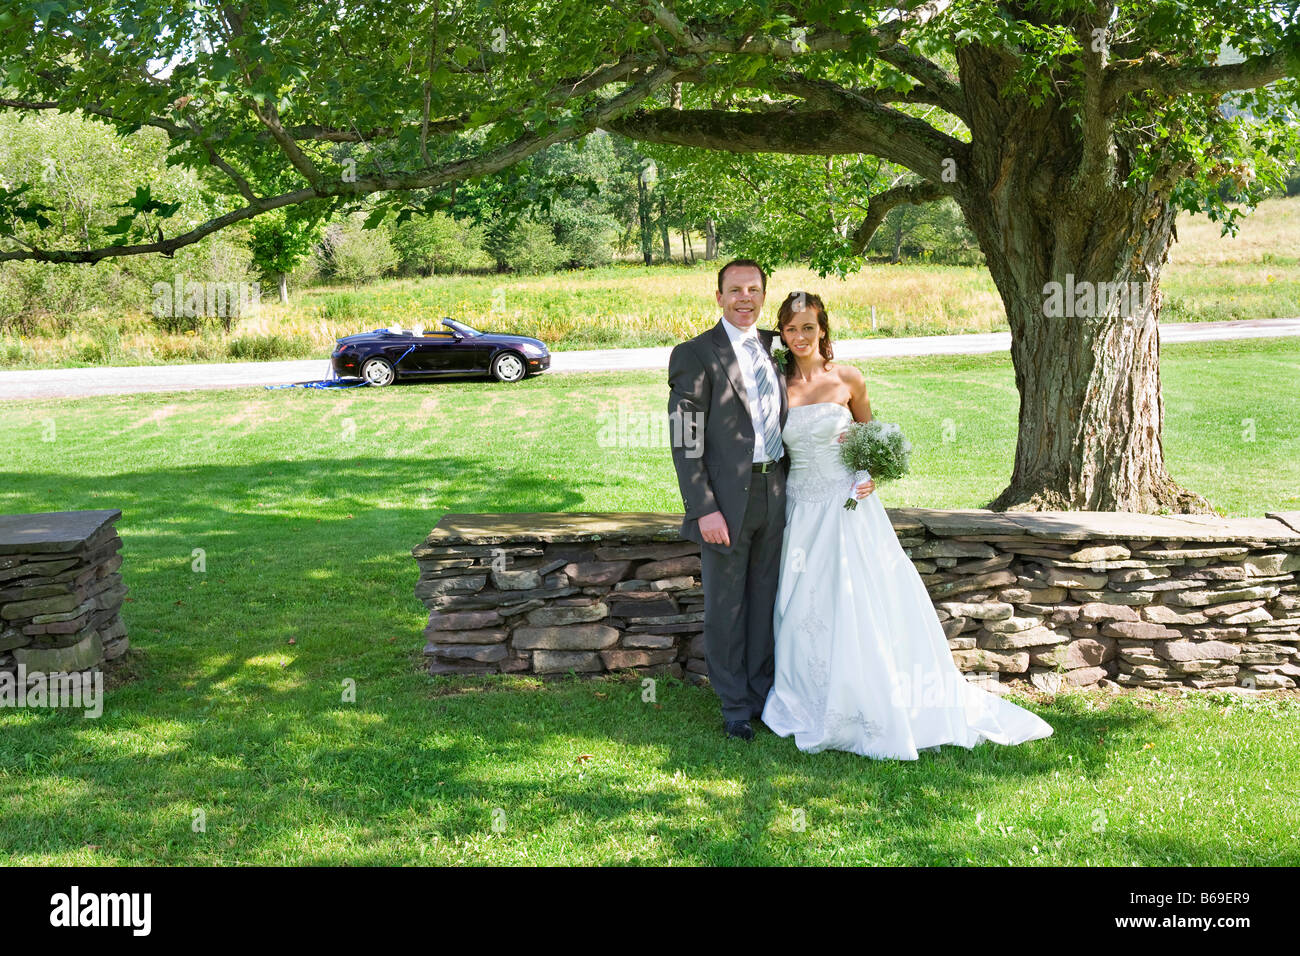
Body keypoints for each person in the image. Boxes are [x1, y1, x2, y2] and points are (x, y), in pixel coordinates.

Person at [760, 291, 1054, 758]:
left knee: (859, 601)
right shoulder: (776, 386)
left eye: (808, 328)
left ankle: (881, 697)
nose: (800, 337)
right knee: (802, 605)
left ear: (823, 330)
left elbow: (869, 439)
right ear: (782, 332)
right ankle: (810, 699)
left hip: (848, 508)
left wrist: (868, 474)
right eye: (791, 329)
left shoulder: (849, 379)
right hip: (801, 508)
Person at [667, 262, 875, 741]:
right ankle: (735, 707)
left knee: (767, 601)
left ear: (764, 295)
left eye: (754, 290)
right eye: (734, 290)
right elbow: (685, 438)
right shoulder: (695, 354)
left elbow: (819, 381)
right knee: (727, 605)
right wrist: (704, 508)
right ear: (718, 296)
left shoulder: (774, 345)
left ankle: (765, 696)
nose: (745, 298)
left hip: (782, 493)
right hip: (725, 502)